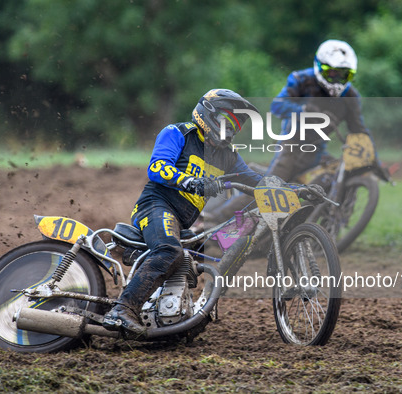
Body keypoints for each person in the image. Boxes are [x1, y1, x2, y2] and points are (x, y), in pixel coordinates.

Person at [102, 89, 265, 337]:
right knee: (170, 250)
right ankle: (122, 309)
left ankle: (179, 316)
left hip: (182, 221)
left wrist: (291, 188)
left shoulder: (227, 156)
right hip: (156, 205)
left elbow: (255, 180)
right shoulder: (177, 133)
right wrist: (191, 181)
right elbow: (157, 167)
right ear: (208, 114)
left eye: (235, 126)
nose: (230, 130)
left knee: (205, 252)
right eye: (227, 122)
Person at [206, 39, 375, 222]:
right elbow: (278, 105)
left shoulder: (351, 96)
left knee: (324, 184)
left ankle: (311, 231)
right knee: (270, 189)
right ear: (320, 66)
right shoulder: (301, 79)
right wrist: (302, 111)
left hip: (318, 151)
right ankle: (215, 219)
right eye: (332, 73)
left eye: (344, 75)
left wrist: (374, 161)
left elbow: (359, 130)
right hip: (291, 145)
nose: (336, 79)